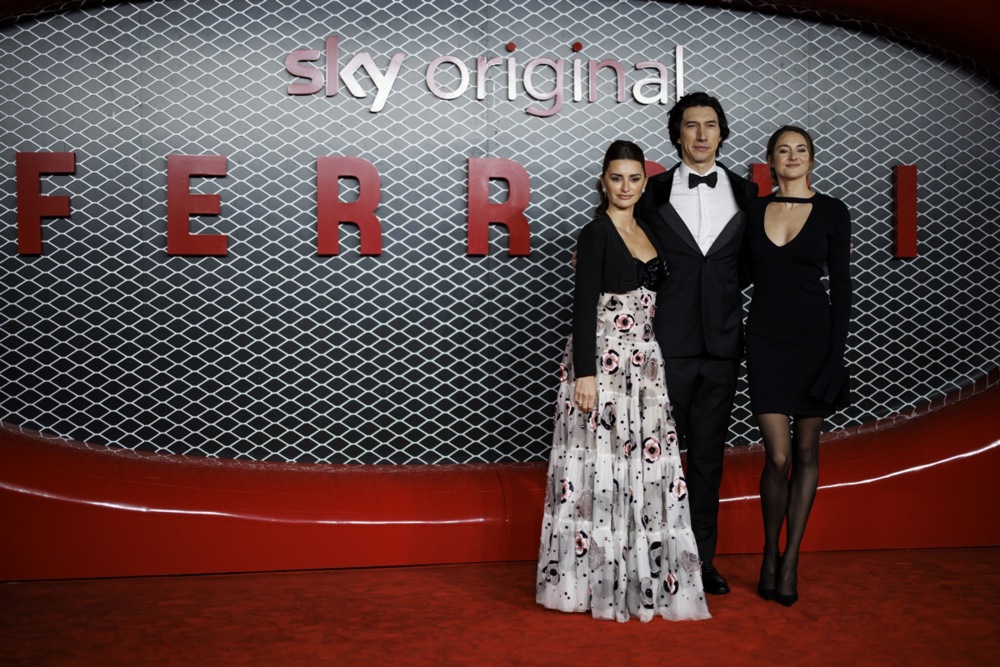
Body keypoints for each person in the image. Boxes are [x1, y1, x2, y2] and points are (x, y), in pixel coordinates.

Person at [536, 140, 710, 623]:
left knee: (645, 470)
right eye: (617, 178)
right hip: (604, 363)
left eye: (634, 179)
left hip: (645, 365)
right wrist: (586, 375)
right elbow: (582, 307)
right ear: (603, 182)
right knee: (600, 469)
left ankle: (642, 579)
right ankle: (594, 583)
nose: (625, 187)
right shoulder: (596, 232)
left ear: (644, 183)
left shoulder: (650, 228)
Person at [635, 92, 759, 595]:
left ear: (722, 133)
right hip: (666, 344)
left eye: (711, 124)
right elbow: (632, 250)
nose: (702, 134)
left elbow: (748, 266)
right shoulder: (653, 192)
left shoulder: (748, 193)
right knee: (655, 458)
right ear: (677, 134)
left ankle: (701, 562)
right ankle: (652, 558)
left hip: (723, 346)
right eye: (692, 125)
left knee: (708, 461)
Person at [745, 125, 853, 607]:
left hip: (815, 342)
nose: (792, 156)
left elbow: (843, 288)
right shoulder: (754, 211)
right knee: (778, 456)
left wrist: (836, 355)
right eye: (783, 150)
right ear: (770, 160)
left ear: (812, 158)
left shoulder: (832, 211)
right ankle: (769, 552)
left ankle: (790, 560)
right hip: (765, 341)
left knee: (807, 451)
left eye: (801, 150)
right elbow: (731, 273)